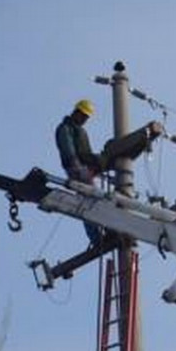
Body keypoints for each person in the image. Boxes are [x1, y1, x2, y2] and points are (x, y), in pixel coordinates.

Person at [55, 99, 104, 244]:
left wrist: (96, 164)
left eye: (86, 117)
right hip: (75, 168)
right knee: (90, 199)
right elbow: (68, 148)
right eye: (83, 116)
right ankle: (96, 237)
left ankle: (102, 229)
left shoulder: (80, 131)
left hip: (84, 168)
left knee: (93, 199)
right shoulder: (65, 128)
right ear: (76, 112)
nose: (84, 119)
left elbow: (86, 152)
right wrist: (76, 166)